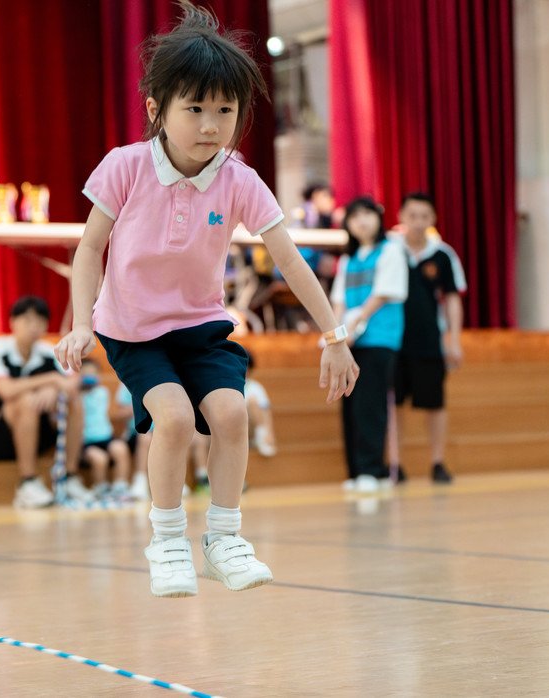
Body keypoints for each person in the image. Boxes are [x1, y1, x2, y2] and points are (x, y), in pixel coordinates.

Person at [55, 1, 358, 598]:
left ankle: (223, 540)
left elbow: (290, 259)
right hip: (133, 330)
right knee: (172, 419)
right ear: (156, 110)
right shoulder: (125, 168)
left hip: (199, 325)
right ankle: (168, 542)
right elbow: (89, 250)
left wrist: (334, 336)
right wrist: (82, 324)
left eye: (225, 110)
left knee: (231, 413)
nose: (211, 124)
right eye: (194, 108)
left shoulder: (239, 178)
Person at [0, 295, 87, 508]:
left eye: (40, 320)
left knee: (73, 400)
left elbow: (72, 383)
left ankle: (69, 477)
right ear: (13, 322)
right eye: (27, 320)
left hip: (37, 432)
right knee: (25, 400)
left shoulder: (49, 351)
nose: (34, 326)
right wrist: (51, 380)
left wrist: (55, 389)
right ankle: (27, 482)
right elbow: (7, 390)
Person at [330, 197, 408, 492]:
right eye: (354, 216)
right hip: (349, 342)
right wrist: (336, 334)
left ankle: (372, 471)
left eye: (367, 214)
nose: (361, 221)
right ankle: (356, 471)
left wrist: (353, 325)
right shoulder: (348, 259)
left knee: (370, 405)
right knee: (349, 403)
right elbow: (338, 300)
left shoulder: (391, 250)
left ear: (378, 218)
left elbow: (382, 294)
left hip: (378, 339)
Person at [387, 192, 466, 484]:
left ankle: (438, 462)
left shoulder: (443, 255)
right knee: (395, 404)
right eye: (412, 216)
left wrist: (454, 341)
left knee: (435, 403)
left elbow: (453, 299)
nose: (418, 222)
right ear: (401, 217)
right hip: (393, 340)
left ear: (433, 219)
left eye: (424, 216)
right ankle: (395, 464)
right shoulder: (389, 250)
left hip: (430, 340)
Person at [78, 359, 132, 499]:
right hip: (87, 442)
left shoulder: (102, 392)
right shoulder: (77, 397)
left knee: (120, 448)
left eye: (93, 374)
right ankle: (101, 488)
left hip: (106, 437)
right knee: (99, 458)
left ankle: (120, 486)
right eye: (86, 375)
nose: (90, 377)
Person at [114, 381, 151, 500]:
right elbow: (120, 414)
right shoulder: (127, 383)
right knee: (145, 437)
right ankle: (140, 481)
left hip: (161, 434)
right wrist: (133, 410)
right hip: (135, 433)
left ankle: (176, 482)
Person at [244, 351, 277, 458]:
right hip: (234, 428)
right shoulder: (227, 387)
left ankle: (262, 438)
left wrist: (270, 434)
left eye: (246, 367)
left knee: (253, 402)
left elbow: (266, 412)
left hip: (250, 428)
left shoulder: (255, 387)